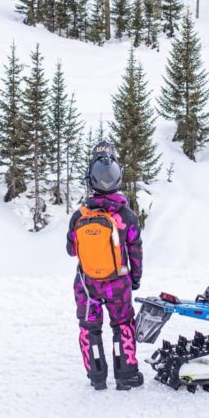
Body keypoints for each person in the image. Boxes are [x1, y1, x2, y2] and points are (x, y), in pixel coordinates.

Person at [65, 142, 144, 390]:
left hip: (87, 283)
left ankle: (97, 377)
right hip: (118, 282)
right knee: (122, 325)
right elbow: (136, 250)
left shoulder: (80, 215)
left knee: (90, 328)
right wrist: (135, 279)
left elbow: (71, 250)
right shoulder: (126, 216)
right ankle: (126, 375)